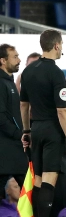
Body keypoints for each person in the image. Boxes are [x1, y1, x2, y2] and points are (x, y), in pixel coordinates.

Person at [20, 29, 66, 217]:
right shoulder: (56, 72)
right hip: (53, 130)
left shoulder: (28, 71)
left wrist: (26, 131)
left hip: (35, 129)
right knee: (48, 181)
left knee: (37, 181)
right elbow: (62, 111)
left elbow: (24, 105)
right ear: (57, 45)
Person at [0, 43, 27, 201]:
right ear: (3, 60)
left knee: (30, 195)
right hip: (5, 152)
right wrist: (20, 134)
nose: (19, 60)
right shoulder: (1, 83)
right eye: (15, 57)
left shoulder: (9, 83)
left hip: (14, 151)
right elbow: (1, 117)